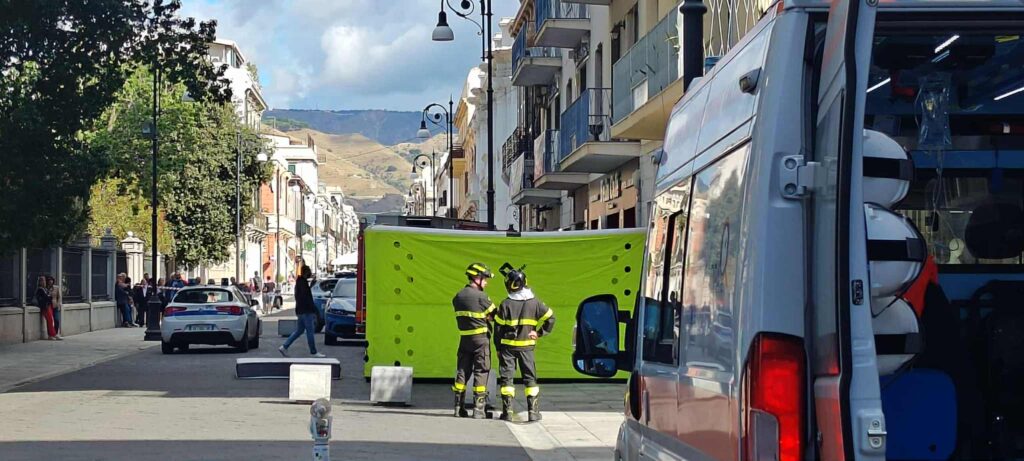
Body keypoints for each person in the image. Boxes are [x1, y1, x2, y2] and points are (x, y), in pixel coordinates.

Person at [495, 264, 555, 422]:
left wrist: (498, 348)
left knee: (507, 379)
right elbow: (551, 318)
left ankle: (507, 412)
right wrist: (539, 333)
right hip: (527, 347)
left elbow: (498, 328)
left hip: (507, 347)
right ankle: (533, 412)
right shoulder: (535, 303)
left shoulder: (505, 304)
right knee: (530, 379)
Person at [451, 262, 497, 419]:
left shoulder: (458, 296)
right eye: (485, 278)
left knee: (462, 371)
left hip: (465, 339)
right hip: (481, 341)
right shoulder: (481, 297)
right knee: (481, 371)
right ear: (477, 277)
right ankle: (479, 409)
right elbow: (495, 316)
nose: (486, 282)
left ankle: (458, 407)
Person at [279, 265, 326, 358]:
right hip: (306, 311)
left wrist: (311, 285)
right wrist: (313, 309)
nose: (310, 273)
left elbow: (301, 296)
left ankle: (284, 346)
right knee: (310, 331)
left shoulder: (300, 282)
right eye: (309, 271)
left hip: (300, 310)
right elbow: (306, 298)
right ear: (305, 272)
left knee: (299, 330)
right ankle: (313, 351)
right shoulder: (303, 283)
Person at [36, 276, 61, 340]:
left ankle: (54, 334)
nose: (44, 282)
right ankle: (52, 335)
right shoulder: (40, 289)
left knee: (54, 320)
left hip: (52, 306)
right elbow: (45, 298)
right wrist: (49, 297)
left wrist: (58, 304)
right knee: (50, 320)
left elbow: (58, 297)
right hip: (45, 306)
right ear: (40, 282)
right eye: (42, 281)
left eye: (44, 280)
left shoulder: (47, 288)